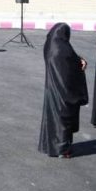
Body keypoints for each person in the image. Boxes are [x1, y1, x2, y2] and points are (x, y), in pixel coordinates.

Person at [37, 23, 88, 158]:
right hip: (64, 91)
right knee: (63, 119)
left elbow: (71, 60)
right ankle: (63, 149)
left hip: (52, 88)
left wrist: (77, 60)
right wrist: (80, 63)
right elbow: (71, 65)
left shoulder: (50, 45)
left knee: (52, 118)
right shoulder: (63, 49)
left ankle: (52, 146)